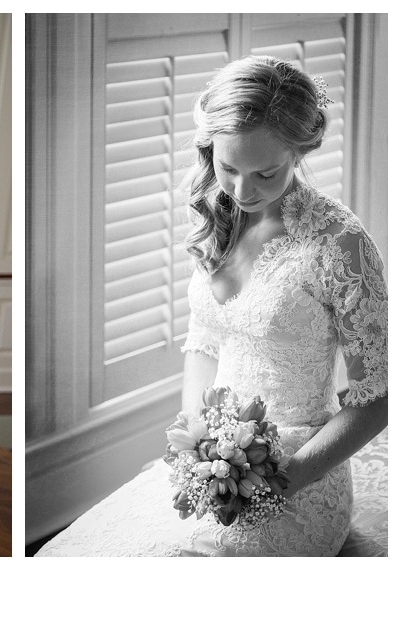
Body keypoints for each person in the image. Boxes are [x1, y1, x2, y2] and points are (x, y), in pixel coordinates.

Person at [37, 55, 387, 556]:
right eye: (229, 168)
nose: (243, 191)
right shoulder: (215, 217)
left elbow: (377, 398)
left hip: (303, 466)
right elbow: (203, 343)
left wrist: (282, 481)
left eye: (266, 173)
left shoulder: (341, 246)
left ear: (298, 150)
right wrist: (195, 449)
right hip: (213, 454)